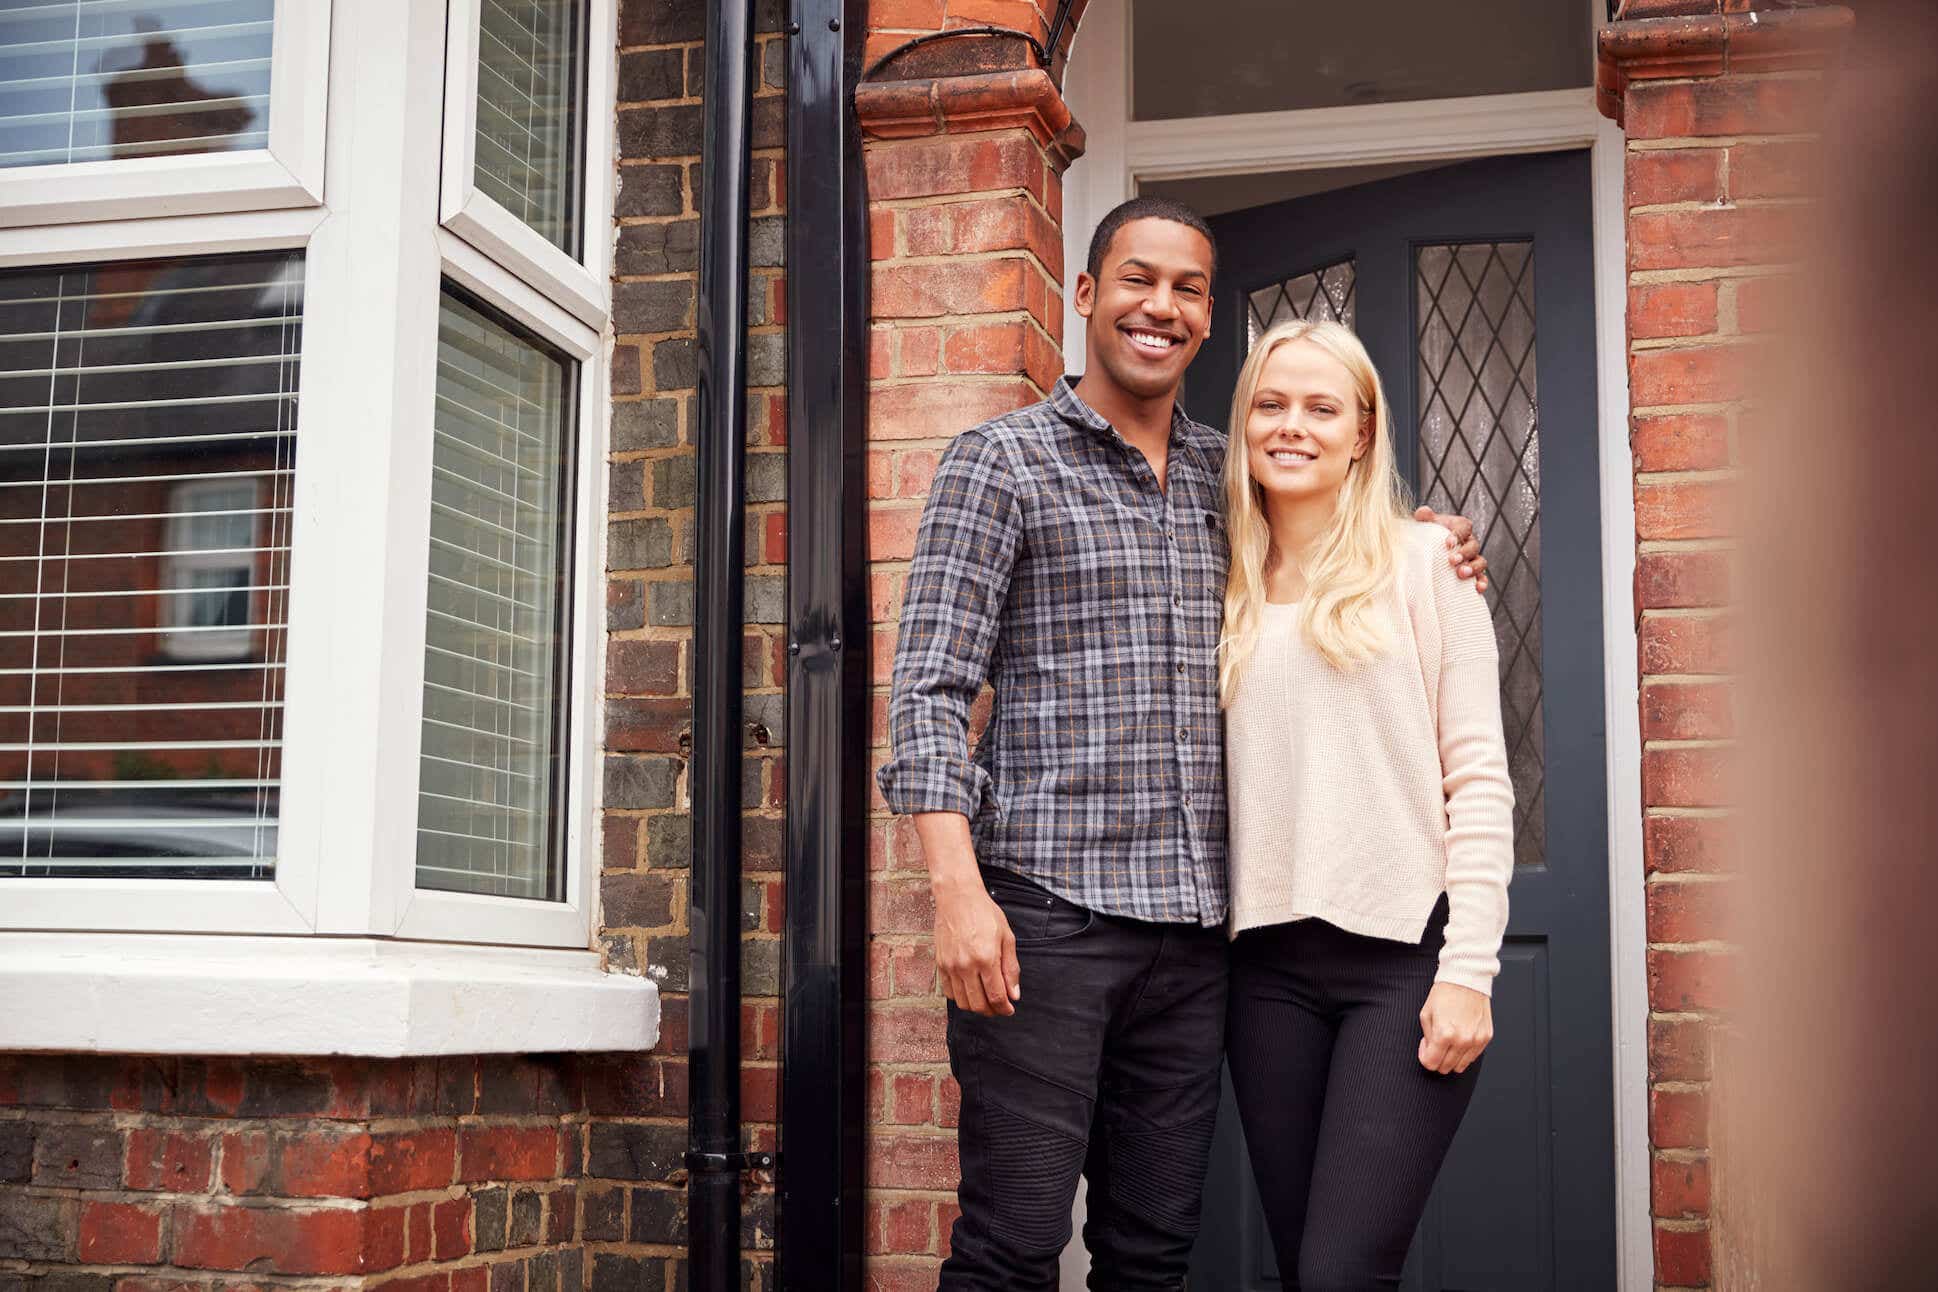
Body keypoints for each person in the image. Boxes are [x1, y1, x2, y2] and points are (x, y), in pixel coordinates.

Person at [877, 197, 1487, 1290]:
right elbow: (927, 690)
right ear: (1086, 293)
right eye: (1137, 279)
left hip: (1198, 942)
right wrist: (956, 890)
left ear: (1208, 318)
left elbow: (1338, 527)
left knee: (1152, 1253)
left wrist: (1431, 537)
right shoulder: (1001, 464)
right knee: (1011, 1243)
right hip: (1047, 923)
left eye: (1188, 289)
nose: (1160, 306)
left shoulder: (1231, 483)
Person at [1219, 318, 1513, 1290]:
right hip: (1263, 973)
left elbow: (1477, 777)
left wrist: (1469, 969)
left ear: (1362, 429)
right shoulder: (1216, 580)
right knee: (1309, 1269)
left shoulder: (1426, 565)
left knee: (1344, 1270)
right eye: (1270, 403)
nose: (1291, 424)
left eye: (1320, 406)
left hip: (1403, 962)